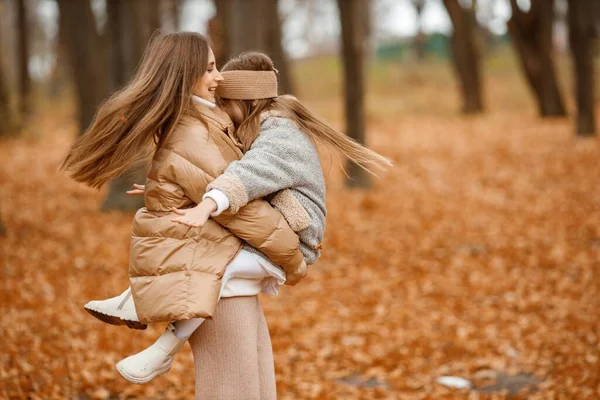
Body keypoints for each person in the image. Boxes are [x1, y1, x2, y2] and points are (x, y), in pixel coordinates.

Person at [94, 51, 391, 384]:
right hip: (276, 229)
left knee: (219, 270)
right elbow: (216, 170)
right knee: (209, 257)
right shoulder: (264, 125)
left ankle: (162, 347)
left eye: (226, 104)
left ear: (246, 102)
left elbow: (248, 175)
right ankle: (136, 301)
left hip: (298, 236)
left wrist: (207, 205)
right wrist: (170, 184)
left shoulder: (281, 133)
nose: (222, 112)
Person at [61, 32, 303, 398]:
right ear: (184, 74)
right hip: (219, 293)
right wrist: (295, 257)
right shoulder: (194, 135)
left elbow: (224, 186)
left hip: (227, 282)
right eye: (208, 68)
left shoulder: (207, 125)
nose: (218, 77)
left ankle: (133, 301)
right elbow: (245, 213)